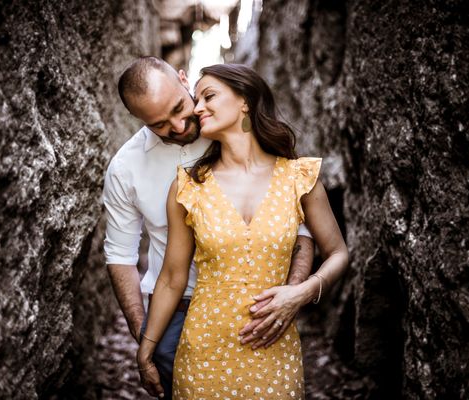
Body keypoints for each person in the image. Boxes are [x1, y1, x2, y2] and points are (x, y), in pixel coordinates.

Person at [103, 57, 315, 399]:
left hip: (255, 305)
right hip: (175, 309)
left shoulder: (229, 125)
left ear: (184, 80)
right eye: (160, 124)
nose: (179, 125)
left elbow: (297, 222)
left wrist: (291, 294)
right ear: (138, 119)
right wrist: (145, 336)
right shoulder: (125, 169)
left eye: (178, 107)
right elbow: (120, 256)